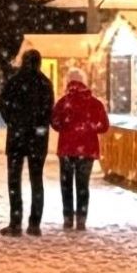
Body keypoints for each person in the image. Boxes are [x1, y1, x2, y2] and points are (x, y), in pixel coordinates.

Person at [0, 50, 53, 236]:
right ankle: (34, 224)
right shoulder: (44, 83)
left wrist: (12, 122)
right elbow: (48, 111)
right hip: (37, 138)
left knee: (14, 180)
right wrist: (40, 130)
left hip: (17, 136)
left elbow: (3, 104)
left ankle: (15, 223)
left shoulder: (14, 81)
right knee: (36, 180)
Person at [50, 68, 108, 231]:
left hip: (67, 149)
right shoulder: (95, 103)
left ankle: (68, 218)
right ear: (85, 82)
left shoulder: (63, 103)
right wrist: (89, 128)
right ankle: (81, 219)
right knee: (83, 185)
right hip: (87, 149)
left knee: (66, 184)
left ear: (67, 82)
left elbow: (54, 123)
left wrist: (67, 128)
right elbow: (104, 126)